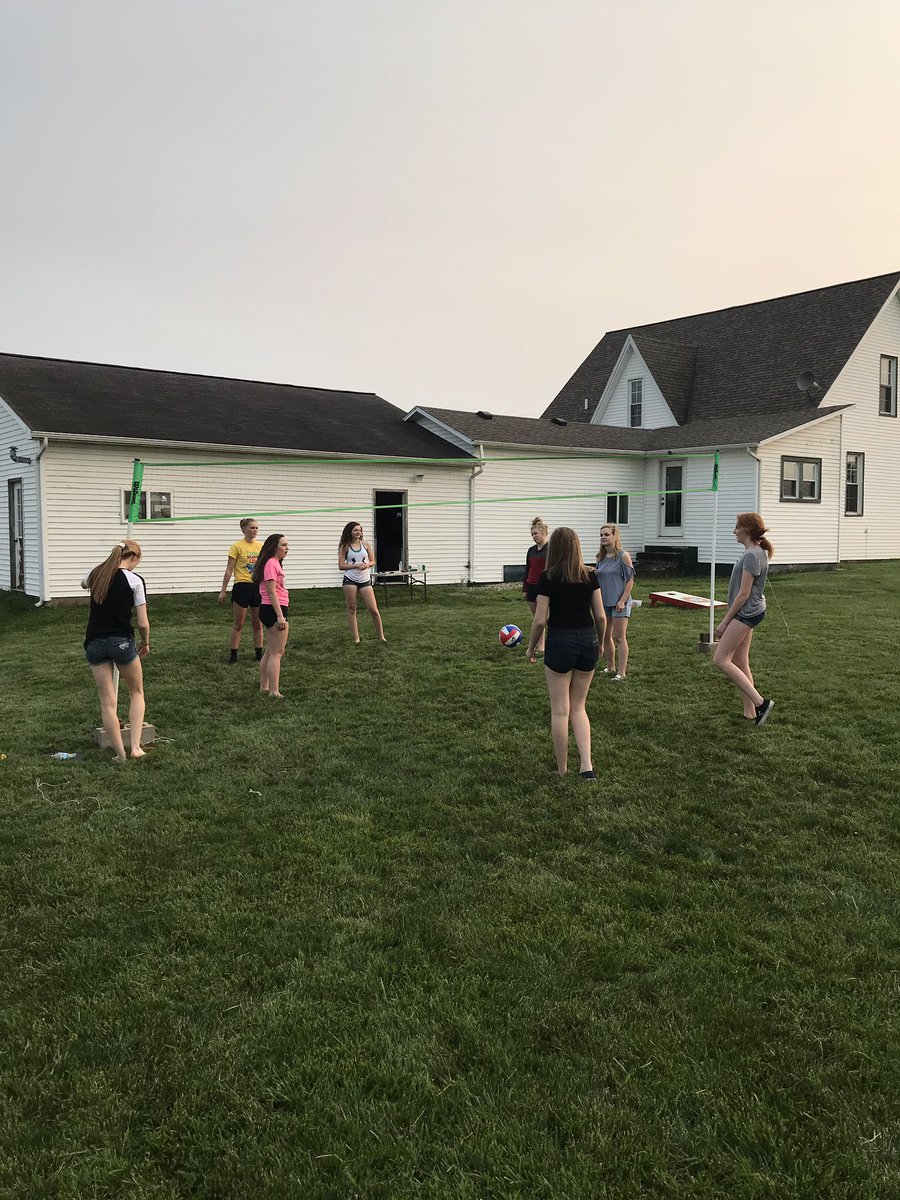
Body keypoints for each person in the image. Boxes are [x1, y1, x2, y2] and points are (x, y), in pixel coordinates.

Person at [526, 527, 607, 780]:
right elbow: (601, 616)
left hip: (560, 642)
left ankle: (562, 769)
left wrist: (530, 648)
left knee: (560, 710)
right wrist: (601, 643)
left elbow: (540, 621)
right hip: (587, 642)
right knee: (579, 707)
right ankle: (587, 767)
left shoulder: (548, 577)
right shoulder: (590, 575)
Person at [81, 539, 150, 762]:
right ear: (134, 558)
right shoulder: (135, 581)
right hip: (121, 641)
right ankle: (135, 748)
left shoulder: (96, 573)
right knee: (136, 692)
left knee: (107, 702)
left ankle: (120, 755)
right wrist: (145, 642)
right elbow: (142, 623)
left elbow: (84, 583)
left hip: (94, 643)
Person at [713, 512, 775, 726]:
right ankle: (750, 712)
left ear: (747, 530)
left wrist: (724, 622)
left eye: (737, 527)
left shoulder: (752, 555)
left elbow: (744, 594)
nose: (734, 531)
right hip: (752, 610)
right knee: (740, 661)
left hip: (746, 612)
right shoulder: (756, 552)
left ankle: (761, 703)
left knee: (720, 659)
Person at [218, 518, 263, 663]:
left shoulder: (260, 546)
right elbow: (229, 569)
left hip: (256, 587)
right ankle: (233, 655)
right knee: (239, 624)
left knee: (258, 623)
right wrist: (223, 590)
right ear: (244, 529)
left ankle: (258, 654)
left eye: (256, 528)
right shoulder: (237, 546)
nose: (255, 530)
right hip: (241, 586)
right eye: (252, 528)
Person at [251, 533, 290, 698]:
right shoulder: (271, 564)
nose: (287, 548)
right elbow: (271, 592)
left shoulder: (275, 563)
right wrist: (280, 616)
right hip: (273, 609)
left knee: (270, 651)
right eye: (283, 545)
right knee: (277, 652)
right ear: (274, 547)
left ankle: (264, 687)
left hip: (273, 608)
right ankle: (274, 691)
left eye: (287, 545)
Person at [595, 524, 635, 680]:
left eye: (606, 534)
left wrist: (623, 600)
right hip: (604, 601)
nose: (603, 537)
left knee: (619, 637)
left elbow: (630, 580)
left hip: (620, 602)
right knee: (606, 635)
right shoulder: (600, 557)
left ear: (614, 536)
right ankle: (610, 667)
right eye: (601, 535)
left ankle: (621, 672)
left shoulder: (623, 556)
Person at [337, 521, 386, 643]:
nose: (358, 532)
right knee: (352, 608)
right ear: (350, 532)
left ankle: (381, 636)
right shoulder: (345, 546)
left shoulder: (365, 544)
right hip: (350, 580)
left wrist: (366, 564)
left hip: (365, 580)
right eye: (355, 530)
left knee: (374, 610)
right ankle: (356, 638)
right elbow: (341, 566)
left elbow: (373, 561)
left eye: (359, 530)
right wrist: (356, 566)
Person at [523, 517, 549, 655]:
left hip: (544, 589)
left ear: (544, 533)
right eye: (532, 535)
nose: (534, 537)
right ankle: (541, 646)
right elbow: (528, 569)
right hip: (531, 587)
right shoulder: (531, 550)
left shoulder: (550, 549)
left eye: (536, 534)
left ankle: (548, 645)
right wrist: (525, 588)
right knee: (537, 619)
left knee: (544, 618)